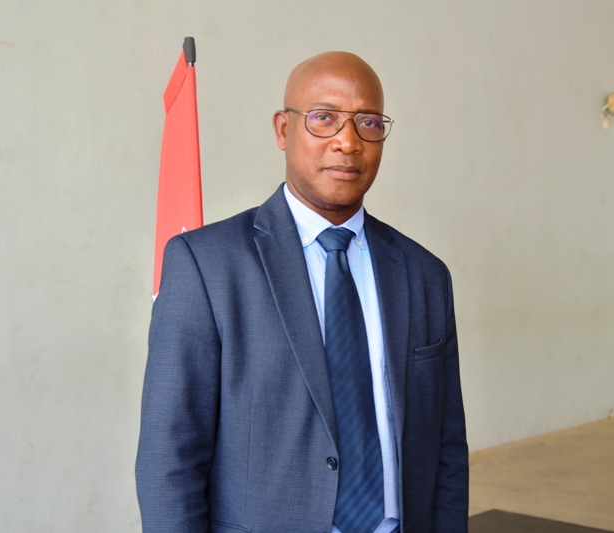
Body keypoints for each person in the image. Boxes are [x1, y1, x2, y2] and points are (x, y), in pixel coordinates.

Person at [135, 51, 468, 533]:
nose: (347, 141)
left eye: (368, 123)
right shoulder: (208, 266)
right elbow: (169, 456)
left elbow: (447, 451)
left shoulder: (424, 276)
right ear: (282, 129)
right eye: (324, 118)